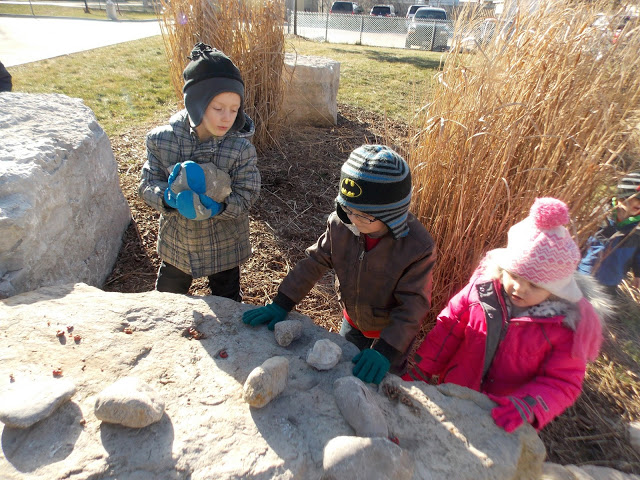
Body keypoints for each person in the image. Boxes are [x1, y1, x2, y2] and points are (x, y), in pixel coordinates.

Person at [403, 198, 608, 433]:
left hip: (501, 415)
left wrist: (529, 405)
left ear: (555, 289)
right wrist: (421, 369)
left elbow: (563, 381)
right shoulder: (479, 293)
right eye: (515, 276)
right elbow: (446, 332)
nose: (519, 288)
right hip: (454, 394)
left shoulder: (563, 329)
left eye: (534, 285)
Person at [242, 144, 436, 384]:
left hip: (391, 333)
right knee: (345, 366)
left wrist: (386, 350)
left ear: (391, 214)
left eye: (363, 215)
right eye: (347, 208)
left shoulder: (416, 247)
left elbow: (412, 305)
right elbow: (314, 262)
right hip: (353, 319)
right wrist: (282, 302)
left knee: (383, 378)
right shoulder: (340, 225)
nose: (353, 219)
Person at [139, 42, 260, 301]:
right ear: (196, 102)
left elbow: (248, 193)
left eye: (234, 109)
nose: (227, 118)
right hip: (178, 244)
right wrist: (166, 198)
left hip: (224, 242)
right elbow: (147, 183)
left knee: (227, 301)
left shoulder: (240, 149)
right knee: (167, 301)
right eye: (218, 108)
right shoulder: (162, 141)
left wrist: (220, 208)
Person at [578, 171, 640, 295]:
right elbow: (580, 239)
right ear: (622, 196)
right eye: (638, 198)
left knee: (598, 311)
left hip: (610, 280)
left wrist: (638, 274)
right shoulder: (600, 214)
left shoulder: (637, 229)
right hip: (584, 273)